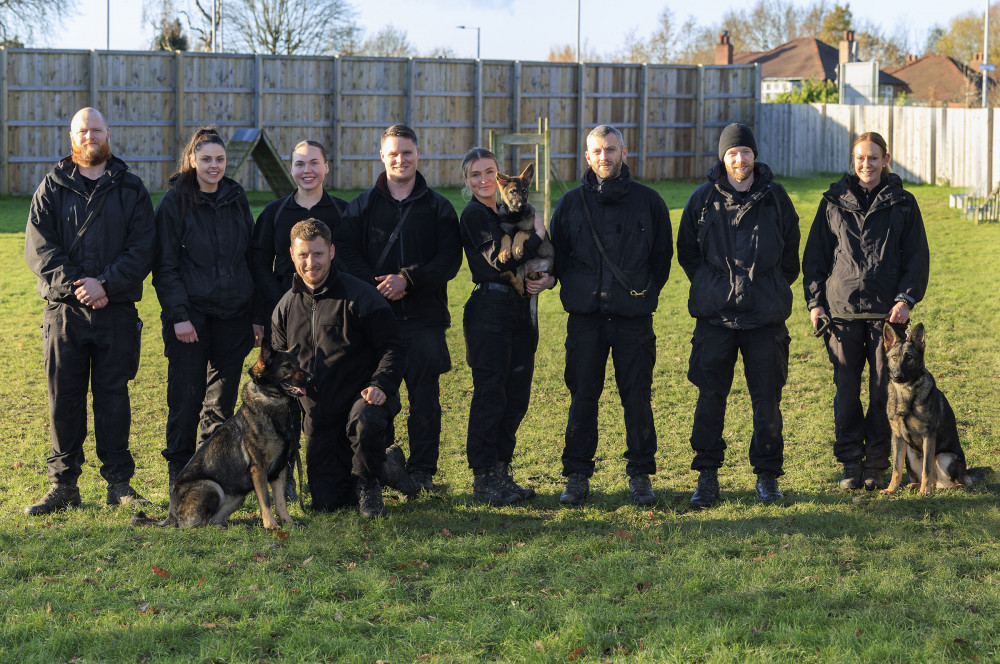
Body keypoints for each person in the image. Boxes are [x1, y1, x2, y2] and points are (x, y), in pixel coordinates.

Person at [23, 106, 155, 515]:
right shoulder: (51, 186)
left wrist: (106, 284)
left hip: (116, 311)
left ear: (108, 133)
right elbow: (39, 248)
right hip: (64, 313)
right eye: (83, 131)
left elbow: (143, 247)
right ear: (71, 136)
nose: (90, 136)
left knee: (113, 396)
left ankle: (119, 483)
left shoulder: (131, 188)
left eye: (96, 130)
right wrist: (81, 286)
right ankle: (64, 486)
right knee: (64, 399)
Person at [677, 122, 800, 508]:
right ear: (723, 156)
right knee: (710, 399)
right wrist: (711, 287)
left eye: (745, 151)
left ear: (754, 154)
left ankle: (767, 477)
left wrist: (771, 287)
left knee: (767, 401)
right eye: (732, 152)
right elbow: (687, 253)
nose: (739, 159)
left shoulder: (776, 198)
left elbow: (791, 253)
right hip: (716, 320)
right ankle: (707, 478)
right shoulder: (702, 199)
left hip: (765, 319)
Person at [549, 124, 673, 507]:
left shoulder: (649, 202)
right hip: (585, 319)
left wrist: (641, 295)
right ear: (587, 157)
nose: (605, 157)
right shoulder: (570, 204)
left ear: (624, 152)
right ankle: (577, 475)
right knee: (582, 397)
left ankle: (640, 474)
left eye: (612, 149)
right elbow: (560, 256)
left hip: (633, 320)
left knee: (637, 398)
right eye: (598, 151)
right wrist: (578, 292)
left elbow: (662, 259)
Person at [334, 124, 462, 492]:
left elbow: (449, 259)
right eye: (393, 153)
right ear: (382, 156)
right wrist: (377, 287)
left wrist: (408, 279)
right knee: (375, 396)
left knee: (425, 401)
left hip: (425, 320)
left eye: (406, 152)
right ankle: (379, 466)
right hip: (375, 321)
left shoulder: (438, 207)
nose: (400, 159)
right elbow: (344, 253)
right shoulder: (361, 206)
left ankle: (422, 472)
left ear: (418, 153)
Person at [802, 131, 929, 491]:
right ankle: (849, 464)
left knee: (881, 392)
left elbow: (917, 258)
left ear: (886, 159)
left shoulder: (903, 202)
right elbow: (815, 258)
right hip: (841, 316)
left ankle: (876, 463)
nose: (866, 164)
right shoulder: (832, 202)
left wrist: (905, 299)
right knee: (845, 392)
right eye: (860, 157)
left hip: (886, 318)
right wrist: (816, 302)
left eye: (873, 157)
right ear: (852, 160)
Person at [271, 219, 408, 518]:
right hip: (320, 418)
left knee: (365, 416)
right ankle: (388, 468)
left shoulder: (361, 296)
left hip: (364, 401)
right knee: (328, 504)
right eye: (303, 255)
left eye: (318, 253)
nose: (311, 263)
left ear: (332, 251)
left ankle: (370, 485)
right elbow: (279, 369)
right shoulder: (284, 307)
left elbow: (393, 348)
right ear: (292, 255)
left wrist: (381, 384)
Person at [152, 127, 261, 488]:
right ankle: (179, 475)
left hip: (234, 315)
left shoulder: (235, 196)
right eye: (206, 160)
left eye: (220, 160)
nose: (214, 166)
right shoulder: (174, 203)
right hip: (191, 318)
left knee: (220, 403)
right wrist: (179, 316)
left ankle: (208, 472)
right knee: (186, 399)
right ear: (192, 161)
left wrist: (256, 316)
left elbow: (250, 256)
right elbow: (164, 266)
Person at [251, 139, 347, 498]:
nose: (307, 171)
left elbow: (349, 264)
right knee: (282, 395)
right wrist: (271, 310)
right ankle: (283, 471)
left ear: (326, 167)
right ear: (291, 169)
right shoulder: (274, 213)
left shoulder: (342, 212)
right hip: (284, 315)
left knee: (324, 387)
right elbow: (258, 264)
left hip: (330, 316)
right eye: (299, 164)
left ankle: (332, 460)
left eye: (314, 163)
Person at [458, 147, 555, 505]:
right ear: (468, 181)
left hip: (519, 307)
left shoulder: (505, 211)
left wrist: (548, 279)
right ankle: (484, 479)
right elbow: (498, 262)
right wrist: (537, 238)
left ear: (500, 177)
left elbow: (538, 264)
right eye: (476, 175)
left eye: (489, 172)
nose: (484, 179)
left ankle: (502, 471)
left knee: (516, 396)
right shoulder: (473, 215)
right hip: (489, 309)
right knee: (490, 395)